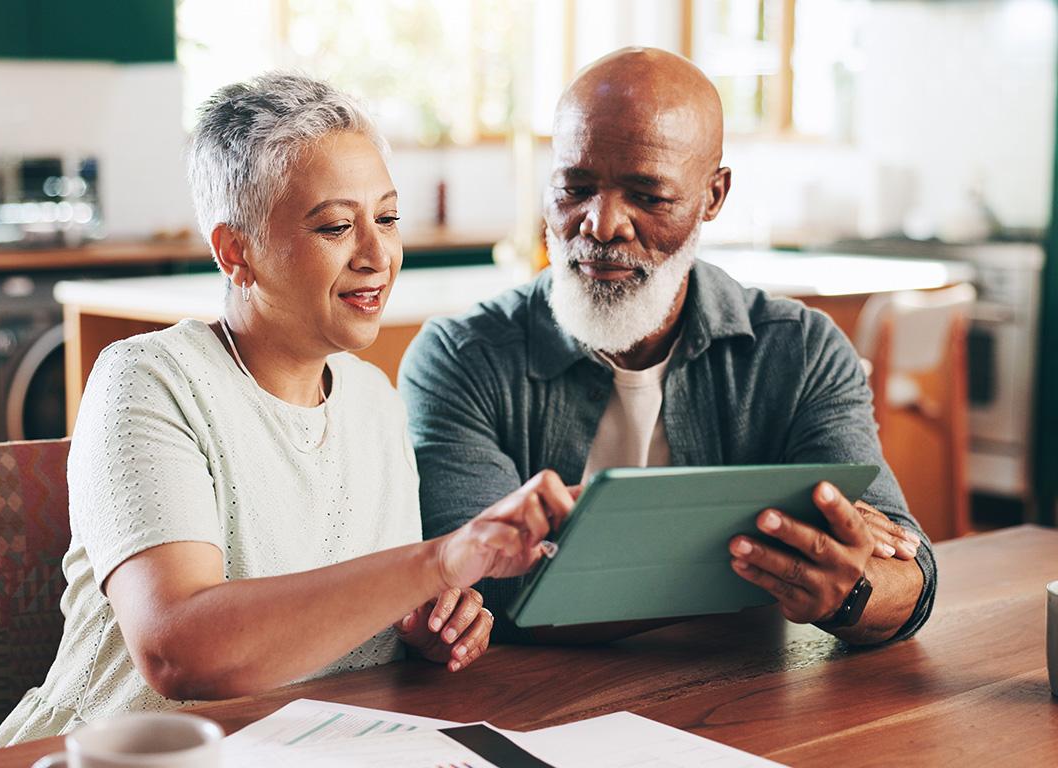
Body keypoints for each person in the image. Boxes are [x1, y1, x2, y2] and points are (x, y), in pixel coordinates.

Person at [0, 72, 572, 747]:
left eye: (386, 218)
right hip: (117, 757)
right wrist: (442, 562)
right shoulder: (148, 381)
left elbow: (365, 604)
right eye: (335, 226)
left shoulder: (375, 402)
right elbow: (180, 650)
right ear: (236, 253)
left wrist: (418, 623)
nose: (376, 254)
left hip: (316, 751)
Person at [399, 48, 934, 647]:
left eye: (648, 196)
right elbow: (479, 586)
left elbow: (904, 566)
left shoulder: (802, 352)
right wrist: (764, 567)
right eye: (574, 187)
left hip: (741, 707)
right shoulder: (458, 357)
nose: (601, 225)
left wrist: (853, 589)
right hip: (529, 711)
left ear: (713, 196)